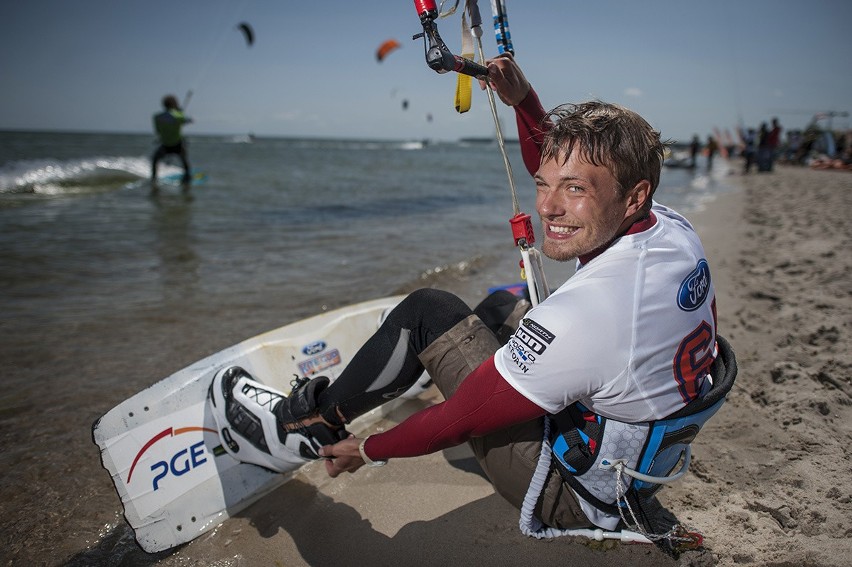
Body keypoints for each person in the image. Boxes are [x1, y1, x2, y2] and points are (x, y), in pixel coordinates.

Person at [209, 53, 734, 548]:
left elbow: (456, 421)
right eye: (542, 185)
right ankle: (407, 367)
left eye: (574, 190)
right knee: (503, 306)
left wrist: (366, 450)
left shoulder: (591, 310)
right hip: (642, 459)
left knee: (429, 310)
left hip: (571, 490)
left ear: (633, 195)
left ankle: (306, 426)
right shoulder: (668, 229)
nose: (548, 206)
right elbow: (555, 163)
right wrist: (524, 100)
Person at [151, 94, 193, 187]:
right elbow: (188, 120)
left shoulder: (157, 117)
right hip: (177, 144)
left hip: (165, 145)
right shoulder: (178, 116)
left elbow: (158, 130)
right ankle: (187, 178)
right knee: (185, 161)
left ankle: (154, 179)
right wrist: (180, 113)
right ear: (174, 104)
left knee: (155, 160)